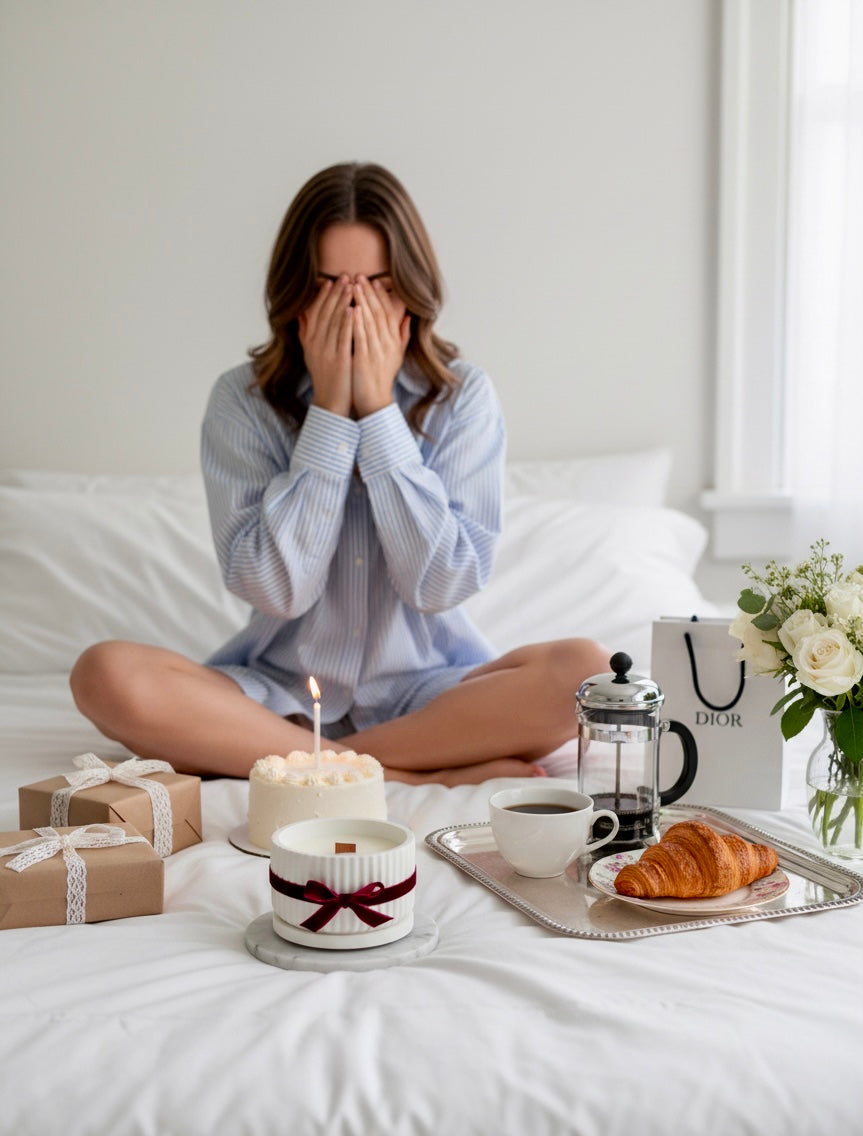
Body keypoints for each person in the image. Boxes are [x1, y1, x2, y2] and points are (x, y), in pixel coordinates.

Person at [70, 162, 609, 785]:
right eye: (330, 285)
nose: (353, 308)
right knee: (105, 673)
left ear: (410, 288)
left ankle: (320, 767)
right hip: (279, 699)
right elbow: (277, 590)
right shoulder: (243, 400)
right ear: (297, 292)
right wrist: (328, 414)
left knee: (587, 674)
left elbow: (442, 585)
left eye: (376, 284)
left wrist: (379, 414)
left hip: (431, 698)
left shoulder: (462, 397)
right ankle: (402, 775)